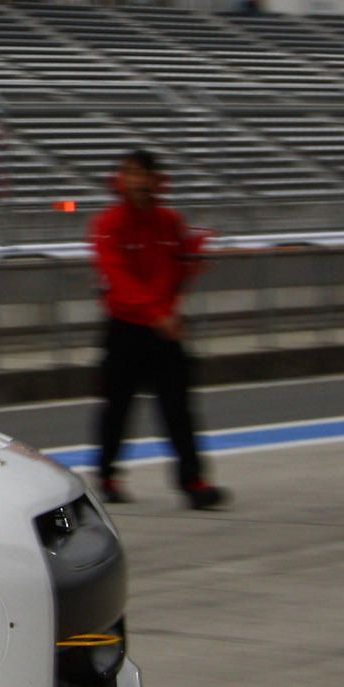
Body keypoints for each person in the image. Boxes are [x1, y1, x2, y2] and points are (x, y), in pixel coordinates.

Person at [90, 149, 227, 509]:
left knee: (179, 408)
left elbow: (177, 271)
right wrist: (157, 312)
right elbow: (119, 278)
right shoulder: (108, 224)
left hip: (163, 329)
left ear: (157, 180)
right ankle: (107, 476)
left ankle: (193, 481)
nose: (138, 181)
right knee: (117, 407)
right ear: (121, 180)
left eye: (145, 174)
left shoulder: (170, 222)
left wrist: (194, 264)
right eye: (131, 173)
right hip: (126, 328)